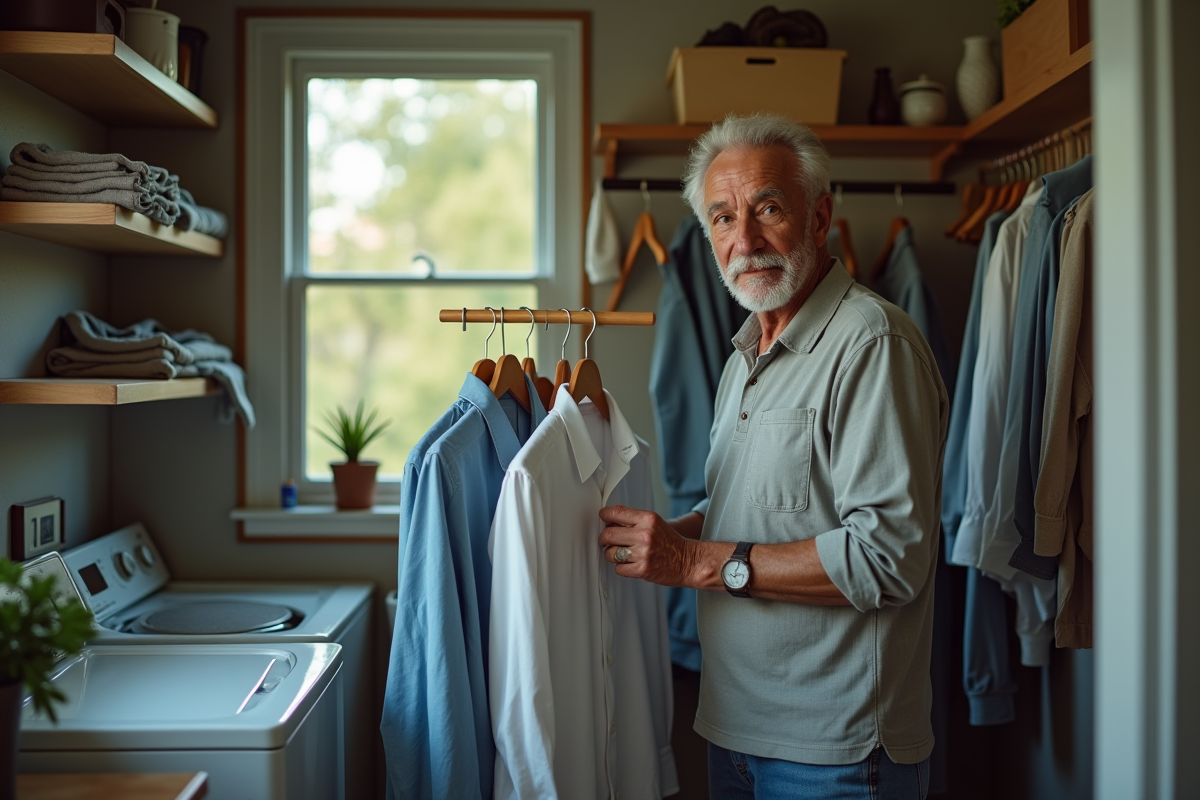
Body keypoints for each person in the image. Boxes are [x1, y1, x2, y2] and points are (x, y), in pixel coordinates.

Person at [598, 114, 948, 799]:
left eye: (768, 209)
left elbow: (890, 556)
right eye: (724, 219)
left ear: (820, 218)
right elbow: (749, 509)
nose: (746, 241)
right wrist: (665, 538)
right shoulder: (745, 356)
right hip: (733, 730)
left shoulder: (872, 344)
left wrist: (692, 562)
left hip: (837, 751)